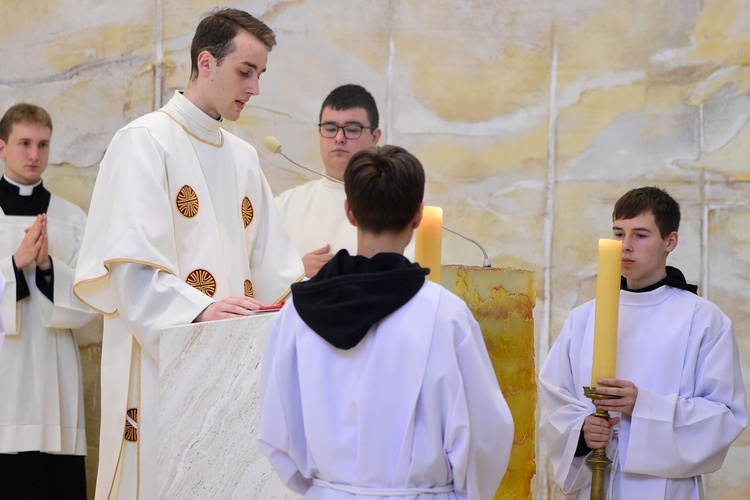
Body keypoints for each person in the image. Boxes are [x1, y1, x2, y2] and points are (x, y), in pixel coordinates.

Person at [73, 8, 304, 499]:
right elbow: (131, 273)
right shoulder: (144, 141)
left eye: (261, 74)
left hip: (233, 369)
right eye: (246, 71)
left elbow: (274, 276)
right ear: (205, 62)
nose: (255, 88)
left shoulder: (243, 158)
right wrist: (200, 310)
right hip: (159, 358)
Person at [258, 145, 514, 498]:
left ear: (349, 212)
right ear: (418, 216)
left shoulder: (296, 315)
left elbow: (275, 433)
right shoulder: (444, 315)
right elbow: (486, 434)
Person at [538, 186, 747, 499]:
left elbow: (725, 415)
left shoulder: (703, 320)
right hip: (595, 480)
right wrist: (581, 432)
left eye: (641, 235)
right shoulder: (584, 318)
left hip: (662, 487)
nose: (625, 246)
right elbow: (555, 396)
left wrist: (643, 406)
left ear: (670, 241)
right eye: (619, 233)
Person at [0, 103, 96, 499]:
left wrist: (47, 268)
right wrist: (15, 265)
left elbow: (91, 300)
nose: (34, 154)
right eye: (23, 143)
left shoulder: (71, 219)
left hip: (55, 376)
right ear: (1, 147)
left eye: (42, 144)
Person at [276, 84, 390, 277]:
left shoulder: (393, 207)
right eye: (330, 128)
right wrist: (297, 272)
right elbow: (255, 277)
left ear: (375, 137)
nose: (339, 138)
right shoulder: (284, 206)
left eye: (352, 130)